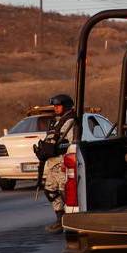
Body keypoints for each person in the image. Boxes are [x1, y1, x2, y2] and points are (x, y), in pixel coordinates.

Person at [37, 94, 78, 234]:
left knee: (66, 193)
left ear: (65, 106)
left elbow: (73, 144)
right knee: (50, 191)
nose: (55, 108)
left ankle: (72, 222)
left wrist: (67, 163)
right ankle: (60, 220)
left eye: (58, 105)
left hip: (62, 163)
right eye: (54, 106)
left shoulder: (70, 121)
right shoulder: (56, 121)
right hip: (52, 163)